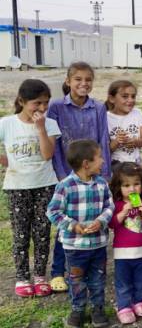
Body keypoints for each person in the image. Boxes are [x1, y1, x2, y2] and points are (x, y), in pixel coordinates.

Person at [47, 61, 111, 294]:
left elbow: (103, 138)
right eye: (78, 79)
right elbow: (54, 144)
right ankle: (57, 272)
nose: (83, 84)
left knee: (92, 218)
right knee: (66, 223)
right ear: (68, 81)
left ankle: (91, 267)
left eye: (88, 80)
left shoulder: (98, 108)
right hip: (67, 174)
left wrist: (103, 174)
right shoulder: (56, 107)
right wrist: (63, 175)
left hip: (93, 173)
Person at [0, 79, 61, 297]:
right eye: (37, 103)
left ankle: (40, 276)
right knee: (20, 234)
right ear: (22, 101)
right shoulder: (6, 123)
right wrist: (8, 162)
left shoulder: (49, 123)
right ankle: (22, 277)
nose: (42, 108)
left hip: (44, 185)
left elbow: (47, 155)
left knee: (42, 232)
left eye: (46, 102)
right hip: (16, 186)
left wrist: (41, 128)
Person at [45, 140, 113, 328]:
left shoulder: (101, 184)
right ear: (86, 163)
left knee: (98, 279)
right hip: (74, 247)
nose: (103, 161)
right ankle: (78, 309)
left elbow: (109, 206)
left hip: (98, 244)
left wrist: (101, 221)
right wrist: (73, 225)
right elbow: (53, 211)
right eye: (99, 157)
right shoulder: (65, 186)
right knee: (76, 280)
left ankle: (98, 309)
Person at [108, 163, 142, 324]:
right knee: (124, 281)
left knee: (141, 279)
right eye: (126, 185)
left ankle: (139, 302)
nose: (132, 189)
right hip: (123, 253)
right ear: (118, 187)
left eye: (136, 184)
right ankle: (124, 307)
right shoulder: (117, 205)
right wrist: (123, 212)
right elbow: (112, 224)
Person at [106, 80, 142, 166]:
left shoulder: (137, 113)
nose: (131, 100)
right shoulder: (106, 118)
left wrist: (136, 142)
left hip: (135, 164)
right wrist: (117, 141)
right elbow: (106, 150)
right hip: (115, 166)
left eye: (133, 96)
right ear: (112, 98)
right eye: (125, 96)